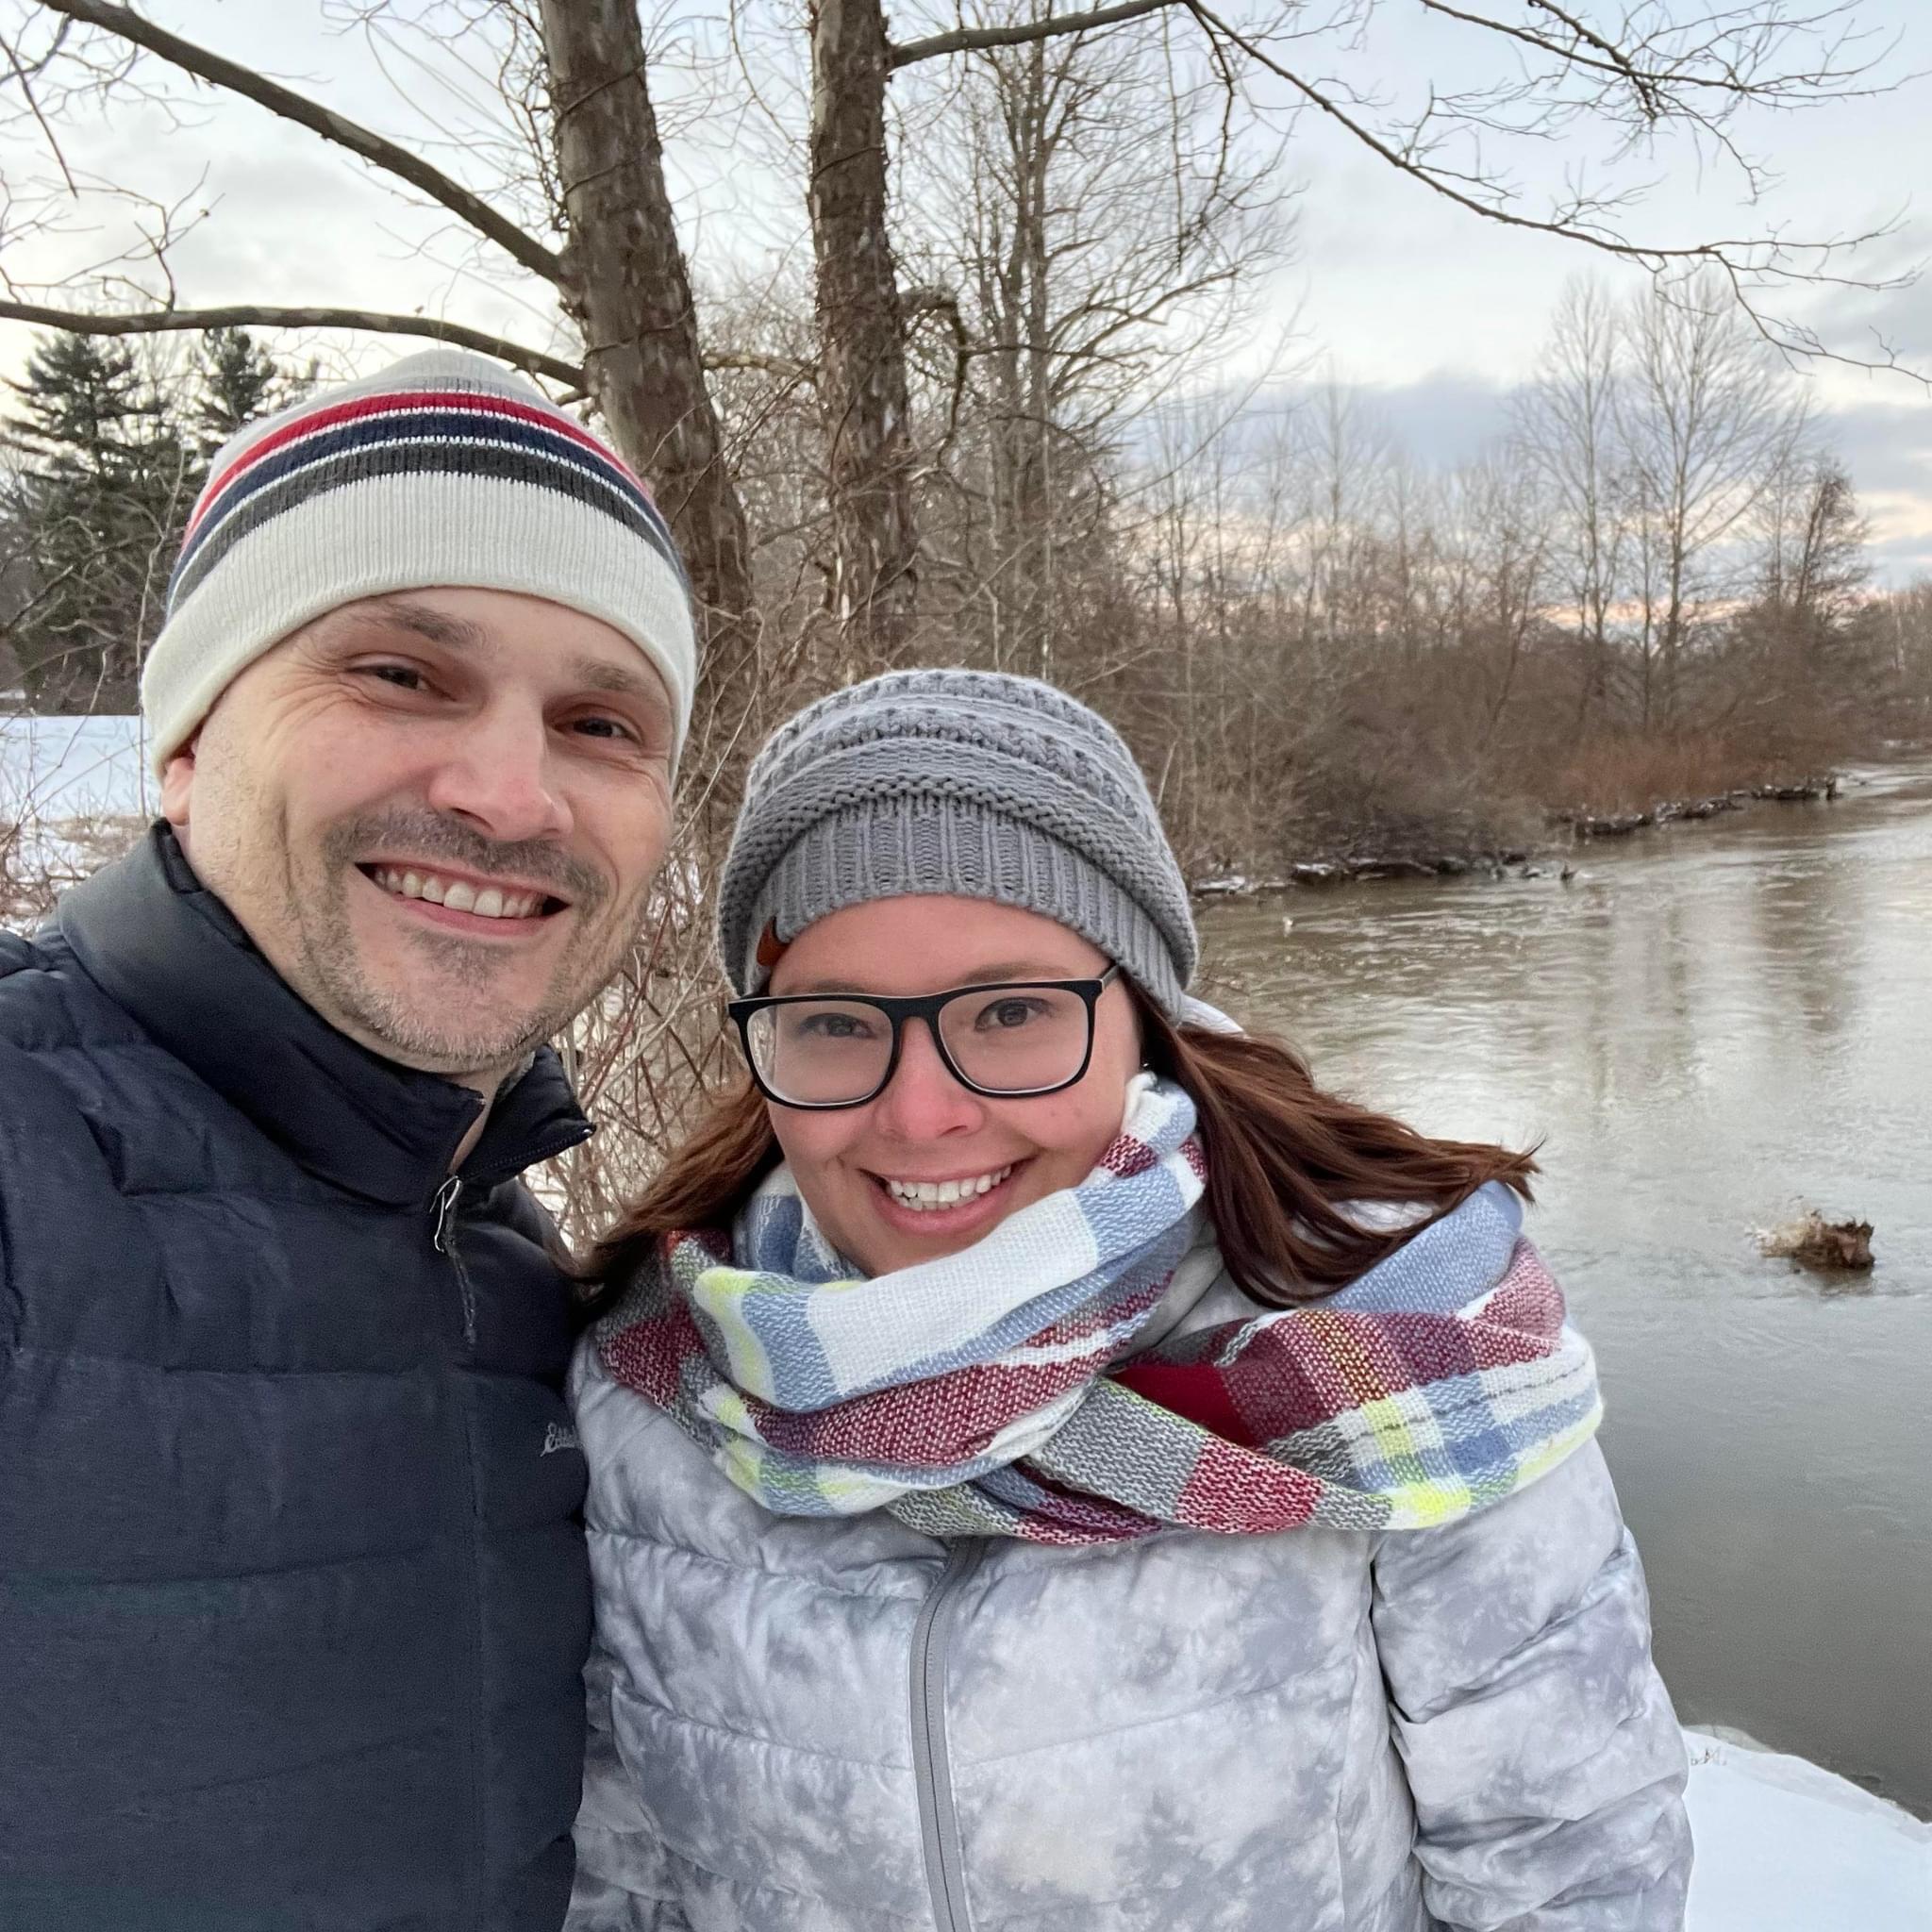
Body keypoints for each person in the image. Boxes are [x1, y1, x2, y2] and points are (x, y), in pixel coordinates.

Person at [568, 669, 1692, 1931]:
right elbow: (624, 1869)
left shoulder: (1400, 1351)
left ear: (1145, 1021)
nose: (921, 1112)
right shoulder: (651, 1385)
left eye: (1008, 1012)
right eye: (834, 1023)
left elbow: (1569, 1869)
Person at [0, 350, 695, 1929]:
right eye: (401, 674)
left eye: (599, 720)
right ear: (183, 746)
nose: (511, 794)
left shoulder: (513, 1271)